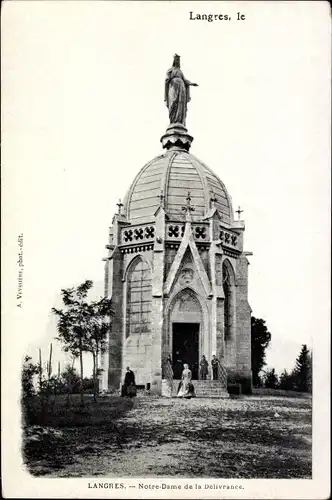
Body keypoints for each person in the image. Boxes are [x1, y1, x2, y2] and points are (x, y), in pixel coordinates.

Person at [164, 54, 198, 126]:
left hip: (181, 87)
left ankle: (179, 121)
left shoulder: (180, 71)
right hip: (173, 87)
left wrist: (191, 83)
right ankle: (173, 120)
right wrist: (169, 77)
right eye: (176, 60)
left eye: (178, 60)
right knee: (173, 102)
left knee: (180, 103)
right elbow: (167, 79)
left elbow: (185, 80)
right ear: (174, 61)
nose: (177, 61)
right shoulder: (170, 70)